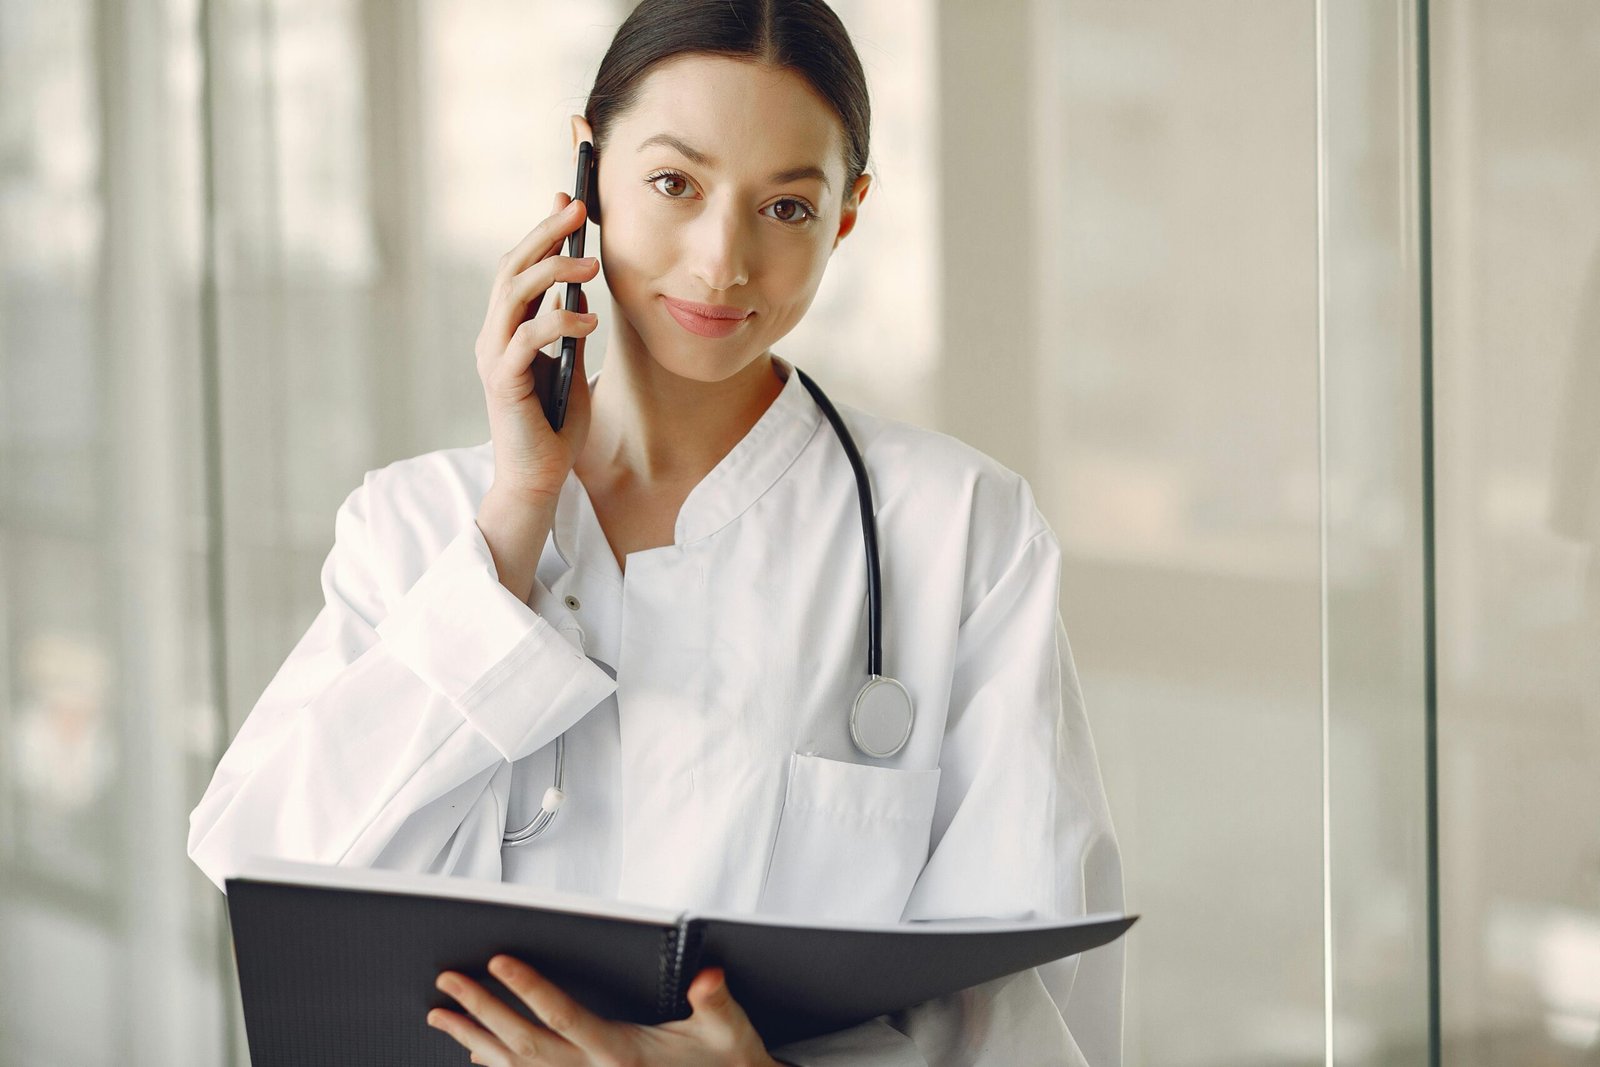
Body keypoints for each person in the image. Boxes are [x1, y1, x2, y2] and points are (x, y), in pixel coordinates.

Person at [186, 1, 1124, 1063]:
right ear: (587, 165)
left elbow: (1026, 995)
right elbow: (264, 869)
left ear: (848, 214)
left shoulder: (961, 530)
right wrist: (511, 526)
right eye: (673, 183)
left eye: (785, 206)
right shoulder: (416, 529)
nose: (723, 260)